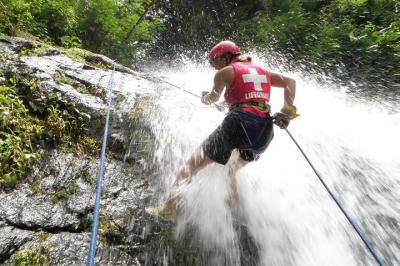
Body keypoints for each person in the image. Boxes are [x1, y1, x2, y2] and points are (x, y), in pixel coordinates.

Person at [147, 40, 298, 220]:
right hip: (264, 129)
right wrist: (287, 110)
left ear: (225, 56)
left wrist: (205, 98)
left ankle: (168, 209)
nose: (214, 67)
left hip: (239, 121)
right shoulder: (262, 71)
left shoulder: (224, 73)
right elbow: (289, 81)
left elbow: (212, 98)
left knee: (193, 163)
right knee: (230, 169)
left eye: (214, 62)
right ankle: (228, 215)